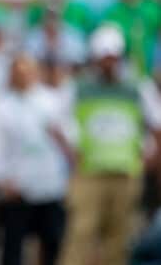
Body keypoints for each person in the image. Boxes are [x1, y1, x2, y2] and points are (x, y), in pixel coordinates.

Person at [59, 25, 161, 265]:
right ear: (96, 58)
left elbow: (156, 123)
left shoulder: (137, 87)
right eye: (105, 58)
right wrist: (73, 154)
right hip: (89, 174)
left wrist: (151, 159)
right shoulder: (80, 86)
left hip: (126, 173)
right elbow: (57, 121)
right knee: (80, 237)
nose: (109, 63)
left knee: (119, 241)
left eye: (113, 57)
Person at [0, 53, 70, 265]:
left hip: (50, 188)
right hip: (18, 192)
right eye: (19, 73)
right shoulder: (2, 109)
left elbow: (70, 139)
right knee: (12, 250)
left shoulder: (52, 102)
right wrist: (0, 180)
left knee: (52, 245)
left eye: (28, 71)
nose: (24, 77)